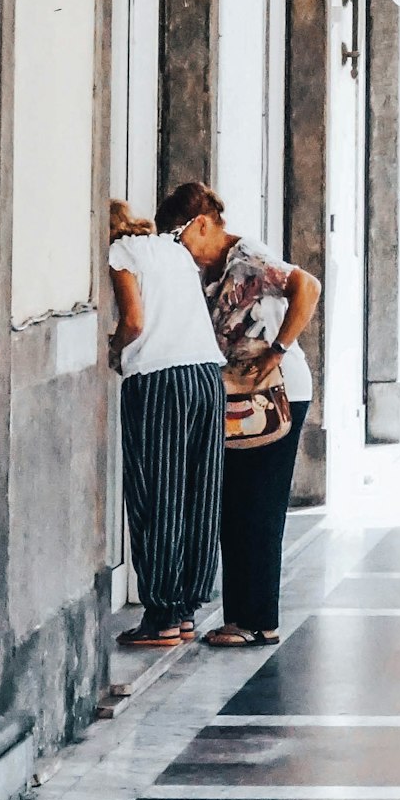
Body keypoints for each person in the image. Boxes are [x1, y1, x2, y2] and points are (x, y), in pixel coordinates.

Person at [154, 182, 321, 647]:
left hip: (276, 393)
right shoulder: (209, 269)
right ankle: (240, 616)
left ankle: (258, 621)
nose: (182, 251)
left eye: (181, 239)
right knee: (234, 504)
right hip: (239, 395)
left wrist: (279, 349)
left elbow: (307, 285)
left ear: (203, 225)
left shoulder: (247, 257)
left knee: (258, 507)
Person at [106, 198, 226, 647]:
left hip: (159, 379)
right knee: (197, 492)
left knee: (156, 492)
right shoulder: (173, 251)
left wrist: (114, 348)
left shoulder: (120, 255)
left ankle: (159, 617)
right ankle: (184, 609)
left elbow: (134, 322)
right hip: (205, 376)